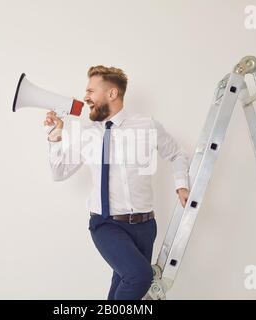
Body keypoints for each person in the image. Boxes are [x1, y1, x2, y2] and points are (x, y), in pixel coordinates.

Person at [44, 65, 190, 300]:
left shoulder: (147, 126)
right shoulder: (88, 134)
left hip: (145, 226)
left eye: (91, 91)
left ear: (112, 94)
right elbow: (59, 171)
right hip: (105, 224)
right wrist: (54, 136)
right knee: (140, 277)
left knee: (123, 284)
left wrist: (181, 184)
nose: (85, 97)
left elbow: (177, 154)